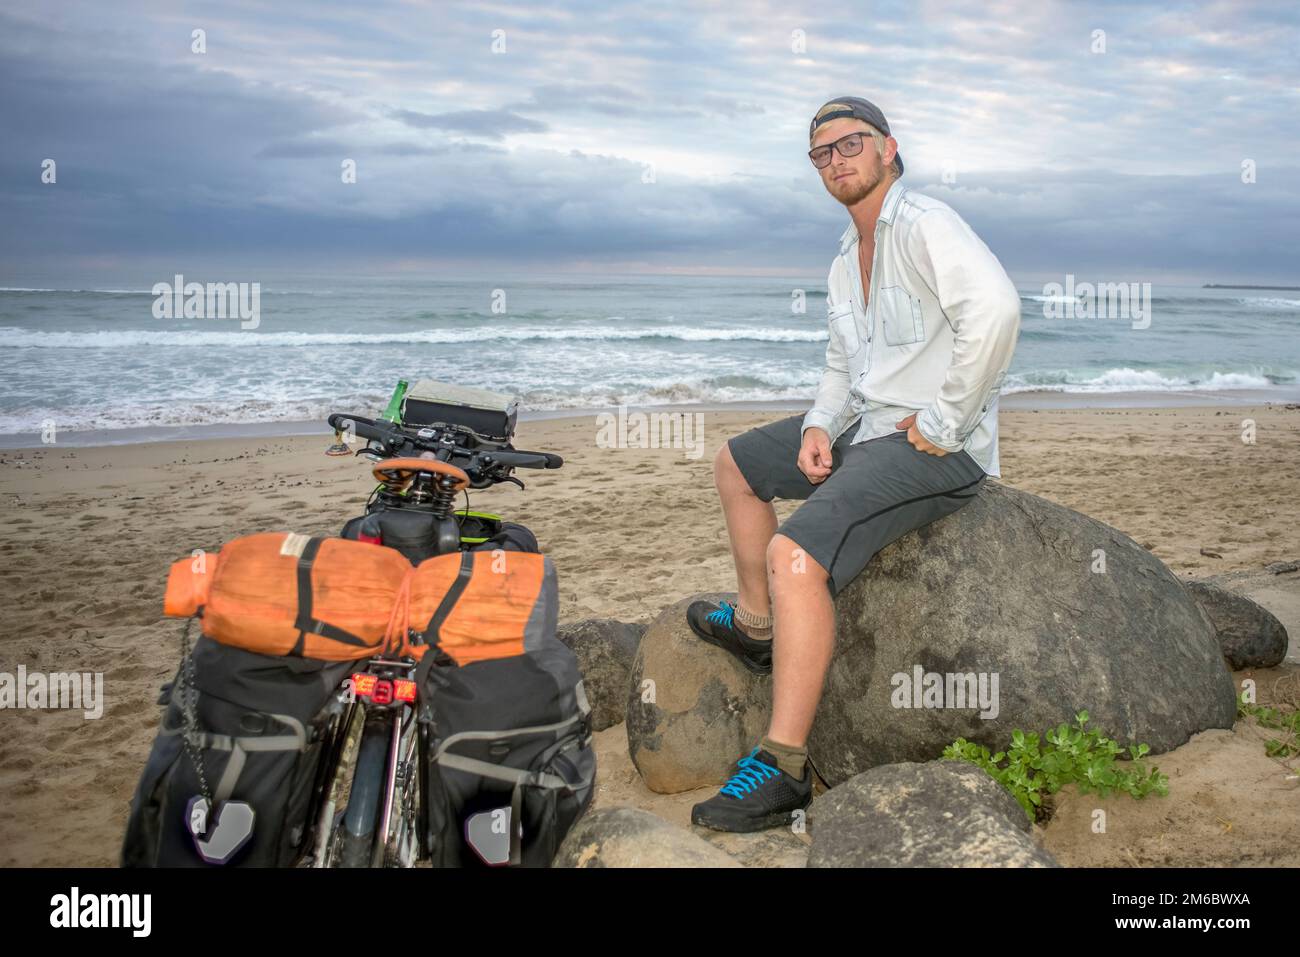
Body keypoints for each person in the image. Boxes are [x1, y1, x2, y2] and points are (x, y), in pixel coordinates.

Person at [688, 96, 1022, 832]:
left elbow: (995, 310)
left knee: (795, 555)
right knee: (736, 465)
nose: (835, 161)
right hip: (866, 427)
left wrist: (943, 421)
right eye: (821, 154)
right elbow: (842, 363)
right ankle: (754, 625)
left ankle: (783, 766)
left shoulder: (926, 224)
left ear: (888, 148)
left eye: (849, 145)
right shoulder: (845, 256)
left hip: (935, 449)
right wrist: (816, 426)